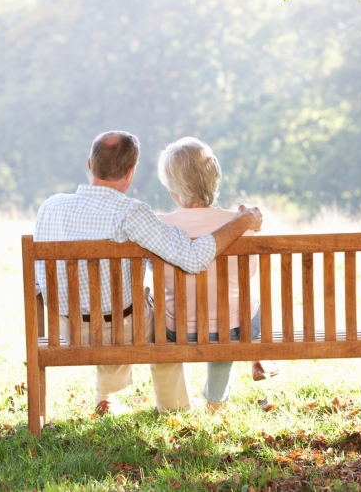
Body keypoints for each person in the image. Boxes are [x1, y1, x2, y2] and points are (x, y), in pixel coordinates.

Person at [34, 130, 263, 416]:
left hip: (65, 329)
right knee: (153, 318)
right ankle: (173, 406)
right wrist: (242, 221)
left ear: (90, 164)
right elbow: (193, 259)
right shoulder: (132, 213)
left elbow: (38, 279)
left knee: (124, 308)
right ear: (130, 172)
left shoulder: (50, 207)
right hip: (121, 329)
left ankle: (105, 397)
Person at [152, 137, 279, 413]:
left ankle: (174, 402)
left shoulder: (159, 226)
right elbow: (249, 273)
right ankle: (216, 401)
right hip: (232, 329)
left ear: (173, 191)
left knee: (221, 315)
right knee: (234, 313)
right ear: (215, 179)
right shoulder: (242, 222)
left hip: (176, 329)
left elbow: (154, 270)